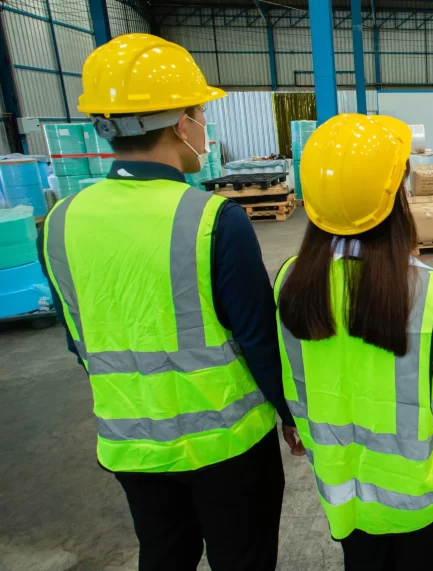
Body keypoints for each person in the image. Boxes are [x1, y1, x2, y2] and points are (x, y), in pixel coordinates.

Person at [40, 34, 299, 570]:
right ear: (183, 123)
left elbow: (77, 336)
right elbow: (257, 336)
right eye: (199, 113)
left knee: (163, 556)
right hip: (226, 446)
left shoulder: (61, 221)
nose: (201, 127)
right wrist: (290, 411)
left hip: (131, 444)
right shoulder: (212, 218)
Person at [275, 114, 433, 570]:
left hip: (344, 488)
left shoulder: (290, 283)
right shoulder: (424, 290)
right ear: (394, 200)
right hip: (418, 494)